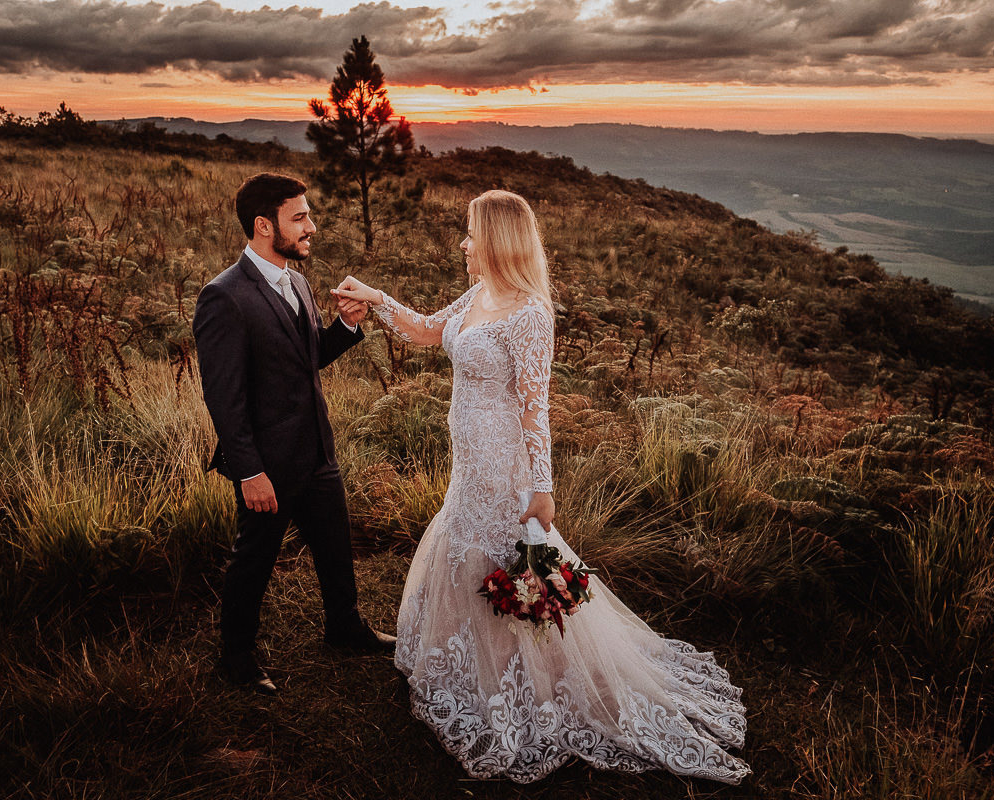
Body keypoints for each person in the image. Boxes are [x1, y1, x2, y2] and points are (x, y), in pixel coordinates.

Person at [332, 190, 750, 783]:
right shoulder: (479, 294)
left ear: (498, 240)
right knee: (468, 551)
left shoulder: (529, 313)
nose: (463, 243)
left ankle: (520, 684)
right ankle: (472, 669)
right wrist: (375, 300)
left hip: (504, 468)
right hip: (468, 464)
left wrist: (542, 488)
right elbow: (426, 332)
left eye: (471, 233)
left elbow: (536, 407)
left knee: (512, 566)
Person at [193, 172, 395, 696]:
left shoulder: (299, 282)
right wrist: (250, 471)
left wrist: (346, 328)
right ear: (265, 226)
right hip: (267, 463)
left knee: (334, 546)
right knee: (255, 559)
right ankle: (237, 657)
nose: (312, 226)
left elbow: (306, 361)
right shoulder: (224, 297)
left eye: (308, 215)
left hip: (316, 449)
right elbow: (224, 397)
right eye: (299, 217)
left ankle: (344, 627)